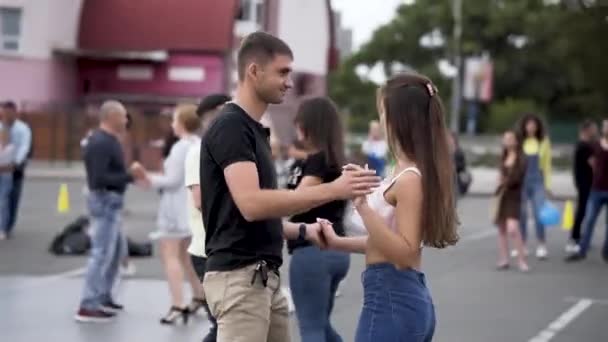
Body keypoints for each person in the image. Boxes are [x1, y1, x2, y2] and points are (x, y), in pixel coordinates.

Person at [200, 31, 379, 342]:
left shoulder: (253, 131)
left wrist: (301, 231)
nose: (289, 82)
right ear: (254, 71)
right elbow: (252, 204)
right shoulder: (231, 126)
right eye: (283, 72)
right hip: (240, 279)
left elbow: (246, 214)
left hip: (263, 278)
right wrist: (335, 189)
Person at [318, 73, 459, 342]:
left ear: (398, 118)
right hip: (400, 298)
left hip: (392, 299)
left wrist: (362, 206)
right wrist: (337, 242)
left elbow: (405, 253)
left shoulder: (409, 179)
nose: (380, 120)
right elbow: (387, 242)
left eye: (382, 111)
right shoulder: (403, 170)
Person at [75, 100, 146, 322]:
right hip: (105, 202)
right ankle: (88, 304)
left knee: (115, 253)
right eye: (123, 116)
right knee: (101, 254)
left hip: (111, 202)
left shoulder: (109, 141)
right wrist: (129, 175)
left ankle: (103, 296)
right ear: (112, 117)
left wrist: (126, 175)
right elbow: (98, 179)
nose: (126, 120)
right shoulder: (101, 143)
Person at [286, 97, 350, 342]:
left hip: (312, 248)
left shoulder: (317, 160)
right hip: (335, 249)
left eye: (298, 123)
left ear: (308, 126)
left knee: (310, 329)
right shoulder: (333, 159)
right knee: (321, 326)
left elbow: (298, 199)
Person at [141, 104, 205, 324]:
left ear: (182, 123)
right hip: (190, 209)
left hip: (174, 211)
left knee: (170, 256)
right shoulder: (199, 144)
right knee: (187, 257)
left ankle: (177, 304)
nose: (172, 124)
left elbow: (171, 180)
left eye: (175, 120)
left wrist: (146, 178)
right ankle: (199, 296)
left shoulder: (180, 148)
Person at [184, 93, 231, 342]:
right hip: (207, 252)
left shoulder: (221, 148)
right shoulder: (198, 151)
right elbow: (200, 200)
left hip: (220, 249)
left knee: (226, 327)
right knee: (222, 327)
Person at [566, 119, 608, 263]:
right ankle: (579, 244)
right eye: (603, 126)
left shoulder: (591, 145)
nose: (599, 130)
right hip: (592, 187)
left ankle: (603, 249)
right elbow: (593, 164)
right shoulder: (590, 146)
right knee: (587, 216)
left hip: (597, 186)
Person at [517, 114, 552, 260]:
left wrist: (548, 186)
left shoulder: (544, 142)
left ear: (538, 127)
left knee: (539, 214)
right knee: (522, 214)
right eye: (528, 124)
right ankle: (522, 245)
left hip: (537, 181)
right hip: (522, 181)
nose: (531, 127)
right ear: (524, 126)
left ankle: (541, 244)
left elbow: (547, 165)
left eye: (534, 124)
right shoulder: (520, 141)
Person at [493, 130, 529, 272]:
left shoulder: (521, 158)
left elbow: (518, 177)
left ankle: (522, 260)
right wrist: (498, 183)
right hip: (502, 195)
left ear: (515, 141)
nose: (507, 141)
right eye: (505, 138)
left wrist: (504, 181)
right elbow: (499, 175)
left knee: (513, 228)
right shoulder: (503, 157)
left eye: (510, 138)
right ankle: (504, 259)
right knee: (501, 228)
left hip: (514, 196)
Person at [0, 101, 32, 239]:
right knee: (3, 198)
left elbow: (24, 147)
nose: (5, 114)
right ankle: (3, 226)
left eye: (8, 112)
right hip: (3, 167)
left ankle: (9, 224)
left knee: (13, 197)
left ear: (14, 112)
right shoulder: (1, 127)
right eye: (3, 112)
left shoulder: (23, 128)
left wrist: (15, 163)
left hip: (16, 167)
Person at [565, 120, 598, 254]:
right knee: (583, 210)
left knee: (585, 210)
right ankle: (575, 238)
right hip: (586, 182)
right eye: (594, 129)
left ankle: (580, 237)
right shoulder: (584, 146)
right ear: (587, 130)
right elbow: (594, 165)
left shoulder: (581, 145)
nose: (596, 132)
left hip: (582, 181)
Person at [0, 128, 14, 240]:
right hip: (4, 174)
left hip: (6, 177)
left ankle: (3, 229)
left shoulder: (10, 148)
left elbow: (11, 166)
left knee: (3, 201)